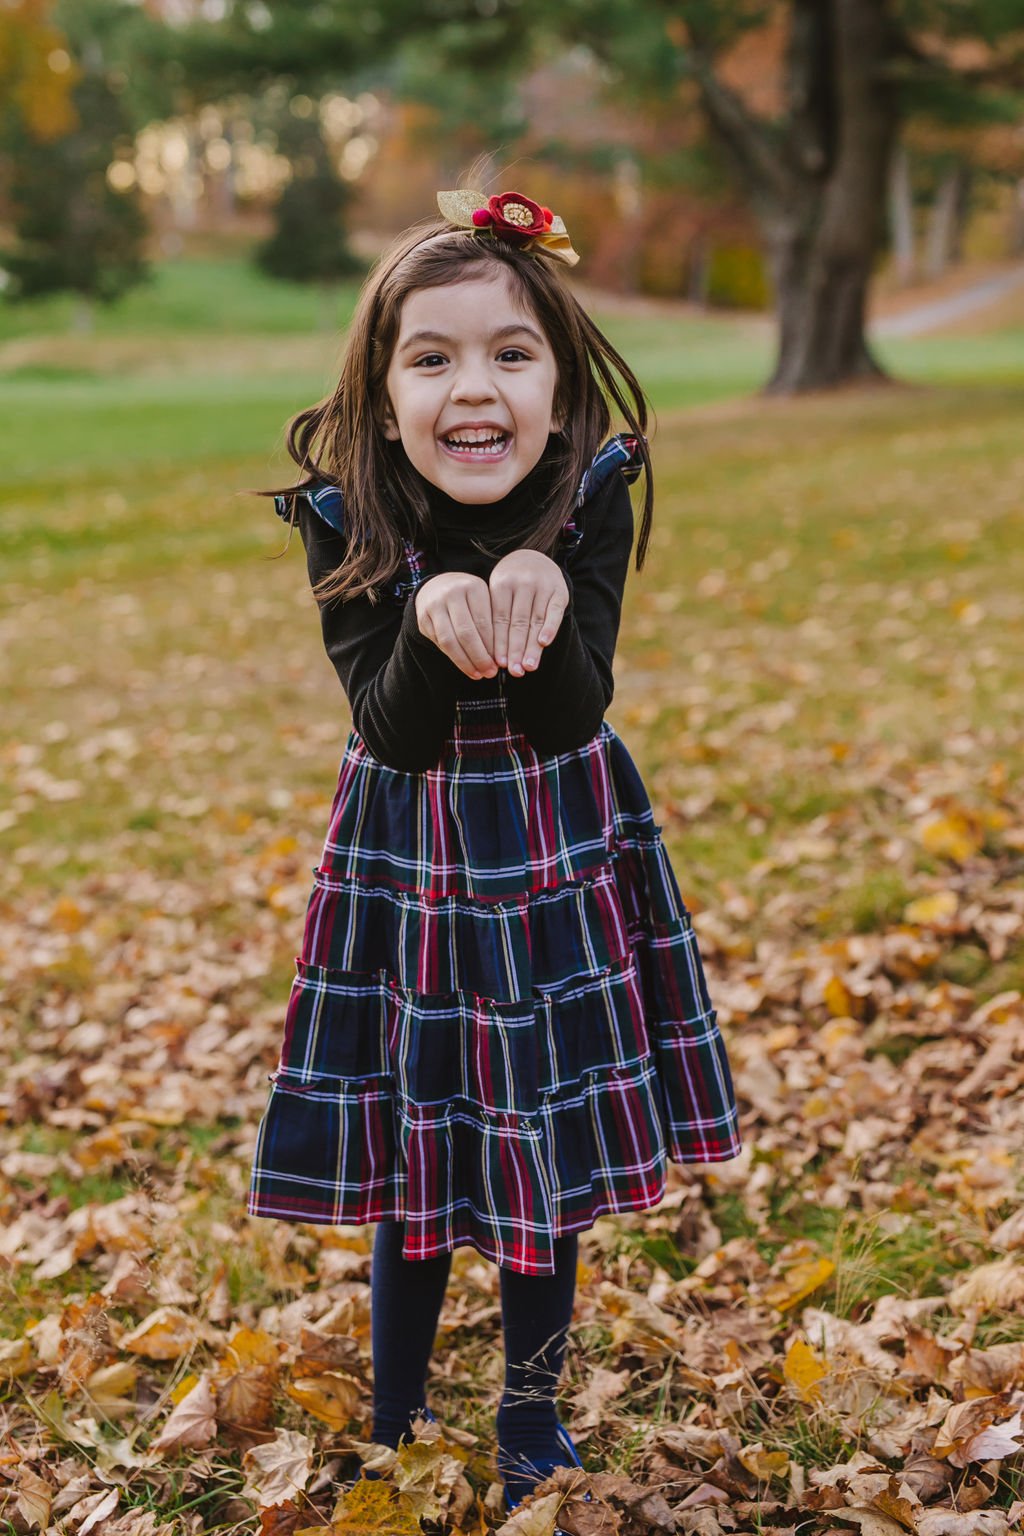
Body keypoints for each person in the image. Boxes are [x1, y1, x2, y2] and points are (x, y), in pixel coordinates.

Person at [246, 184, 742, 1519]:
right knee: (425, 1134)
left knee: (539, 1128)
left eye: (511, 352)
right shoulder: (345, 519)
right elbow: (391, 729)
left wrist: (535, 604)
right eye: (434, 356)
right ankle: (398, 1412)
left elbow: (576, 707)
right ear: (383, 392)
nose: (475, 386)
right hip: (410, 868)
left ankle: (533, 1411)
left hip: (554, 860)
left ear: (560, 381)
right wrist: (431, 606)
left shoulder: (591, 501)